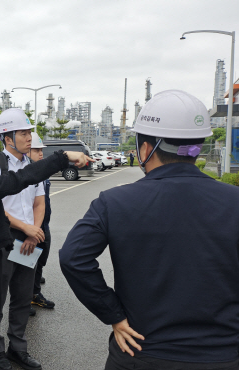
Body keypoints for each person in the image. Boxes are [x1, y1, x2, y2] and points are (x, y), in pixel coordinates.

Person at [60, 90, 239, 370]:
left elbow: (73, 258)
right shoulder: (234, 201)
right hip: (223, 355)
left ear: (145, 149)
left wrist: (114, 316)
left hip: (140, 353)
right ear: (197, 146)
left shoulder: (115, 202)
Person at [0, 123, 91, 370]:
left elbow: (29, 191)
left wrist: (32, 233)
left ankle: (15, 349)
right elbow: (19, 179)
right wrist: (63, 157)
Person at [0, 109, 46, 370]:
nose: (29, 137)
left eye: (29, 132)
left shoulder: (31, 167)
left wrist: (34, 230)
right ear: (8, 138)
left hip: (29, 237)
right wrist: (26, 228)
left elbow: (39, 202)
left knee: (22, 296)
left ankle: (18, 348)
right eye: (24, 133)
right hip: (3, 238)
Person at [27, 133, 55, 311]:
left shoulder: (43, 172)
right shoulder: (23, 174)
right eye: (36, 150)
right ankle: (24, 299)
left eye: (41, 150)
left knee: (40, 261)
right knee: (25, 264)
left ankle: (34, 294)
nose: (40, 154)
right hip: (27, 228)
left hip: (43, 224)